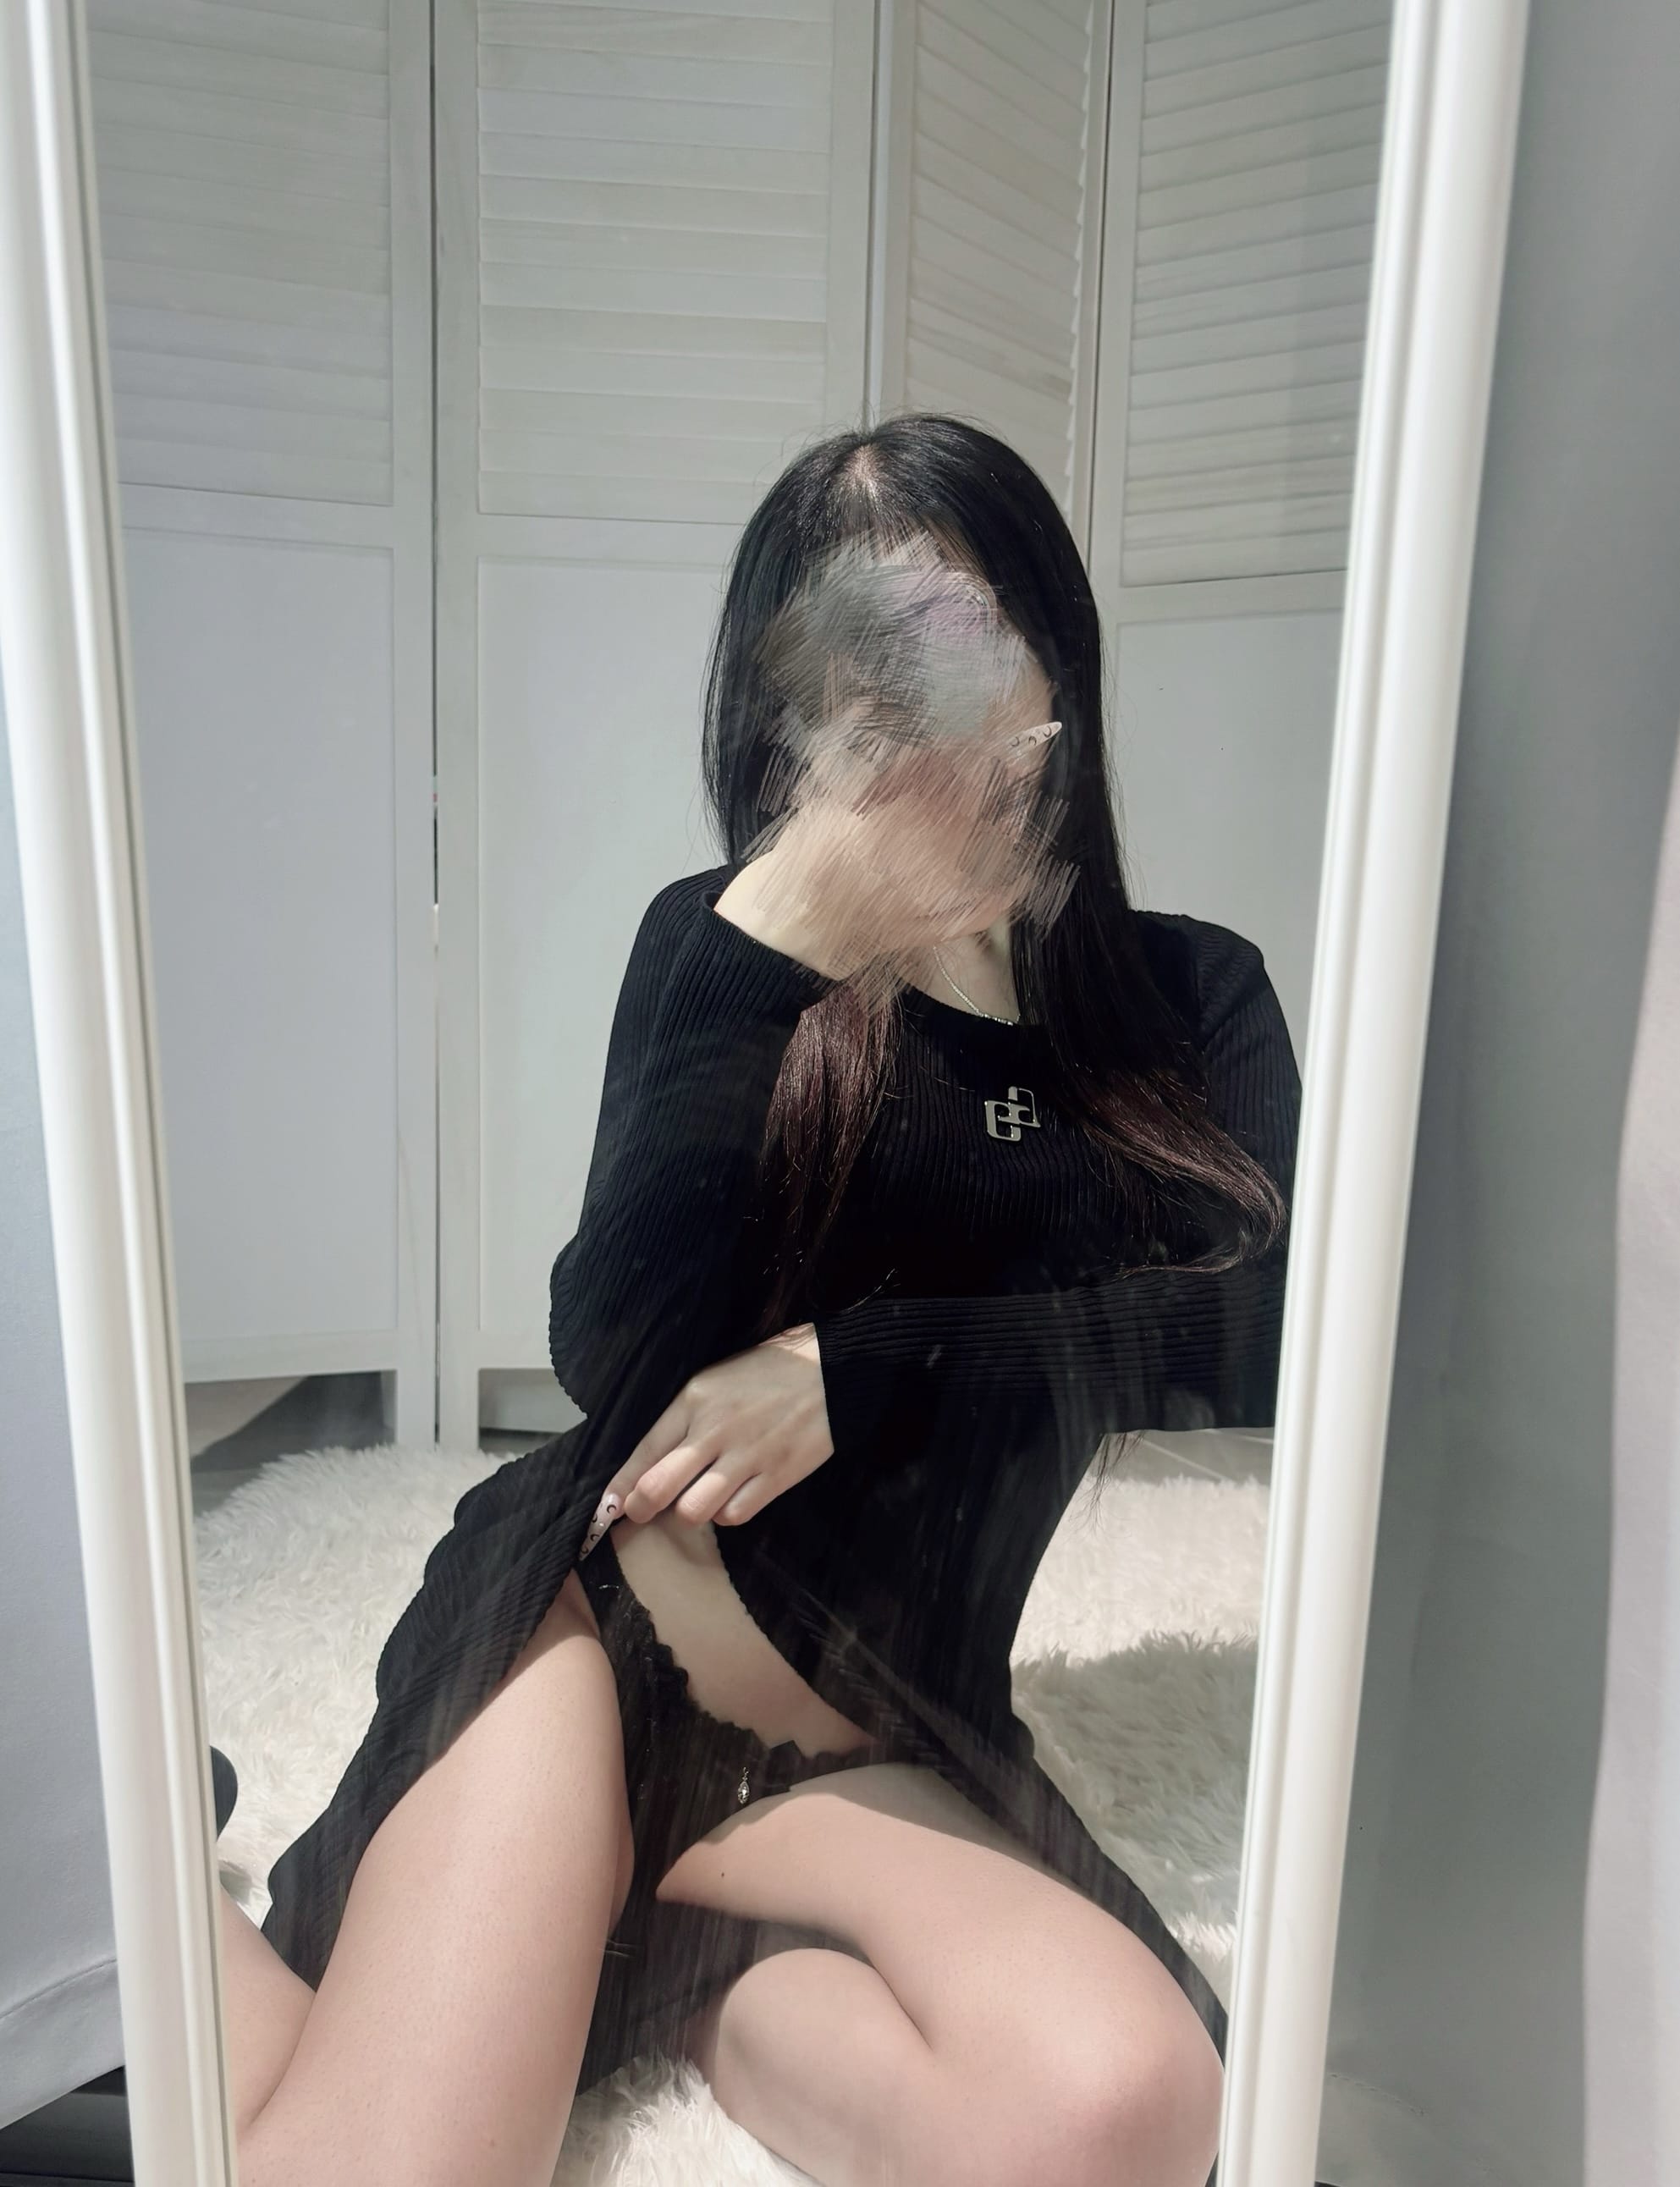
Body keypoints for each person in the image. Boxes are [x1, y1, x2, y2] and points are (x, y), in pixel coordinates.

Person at [214, 415, 1301, 2187]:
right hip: (602, 1635)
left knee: (1122, 2105)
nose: (933, 714)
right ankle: (143, 1861)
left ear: (1056, 661)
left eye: (969, 639)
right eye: (867, 667)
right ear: (789, 707)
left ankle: (656, 1941)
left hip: (881, 1730)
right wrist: (789, 914)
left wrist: (863, 1365)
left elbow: (1267, 1334)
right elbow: (612, 1352)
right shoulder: (725, 946)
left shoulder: (1186, 999)